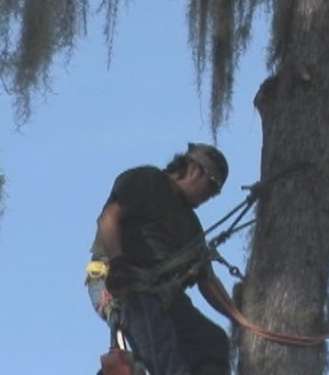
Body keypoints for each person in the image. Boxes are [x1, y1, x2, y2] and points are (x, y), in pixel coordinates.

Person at [85, 143, 236, 375]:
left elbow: (207, 280)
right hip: (122, 283)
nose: (211, 196)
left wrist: (240, 319)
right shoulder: (148, 180)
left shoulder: (192, 226)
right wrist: (118, 264)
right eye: (212, 185)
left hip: (163, 294)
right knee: (164, 356)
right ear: (195, 170)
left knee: (212, 342)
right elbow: (108, 218)